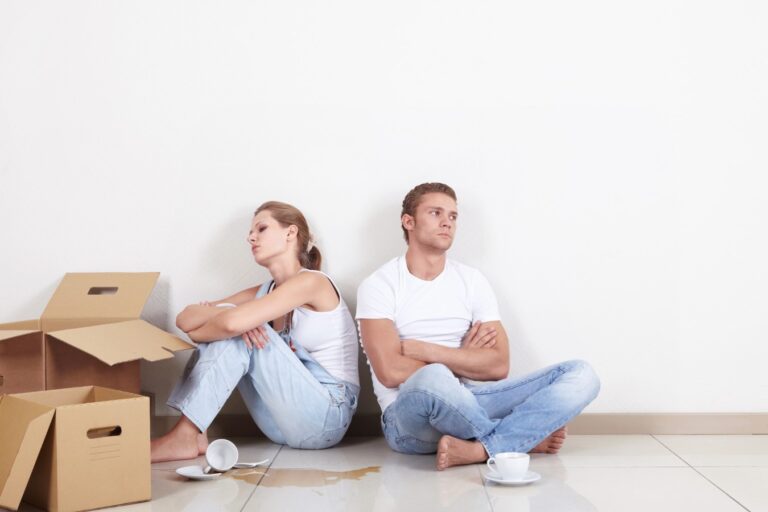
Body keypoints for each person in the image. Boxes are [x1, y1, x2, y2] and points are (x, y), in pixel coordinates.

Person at [356, 183, 600, 470]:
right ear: (408, 222)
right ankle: (518, 438)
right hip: (407, 419)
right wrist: (463, 359)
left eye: (453, 216)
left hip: (467, 401)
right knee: (433, 378)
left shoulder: (472, 281)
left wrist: (426, 350)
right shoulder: (380, 285)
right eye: (435, 213)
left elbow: (498, 366)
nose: (447, 221)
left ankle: (484, 449)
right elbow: (390, 372)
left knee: (582, 374)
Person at [151, 201, 359, 462]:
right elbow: (187, 320)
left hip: (327, 417)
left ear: (290, 233)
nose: (251, 237)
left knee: (238, 330)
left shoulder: (313, 282)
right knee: (237, 326)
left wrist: (233, 322)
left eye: (261, 228)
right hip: (279, 425)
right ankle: (194, 432)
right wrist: (229, 319)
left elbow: (228, 326)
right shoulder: (264, 291)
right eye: (251, 232)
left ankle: (185, 435)